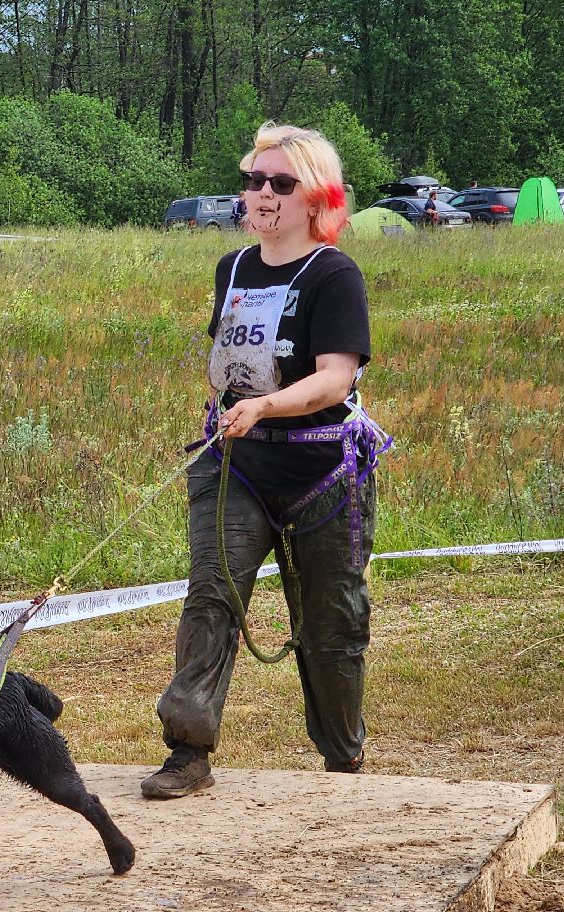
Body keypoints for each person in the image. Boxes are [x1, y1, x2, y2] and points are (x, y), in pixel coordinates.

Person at [141, 121, 389, 799]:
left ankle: (344, 763)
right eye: (254, 180)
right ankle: (188, 751)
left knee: (333, 622)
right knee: (211, 598)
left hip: (323, 472)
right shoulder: (233, 269)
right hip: (238, 467)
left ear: (316, 198)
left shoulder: (334, 274)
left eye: (282, 182)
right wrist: (232, 405)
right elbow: (227, 363)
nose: (263, 193)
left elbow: (335, 377)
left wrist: (267, 407)